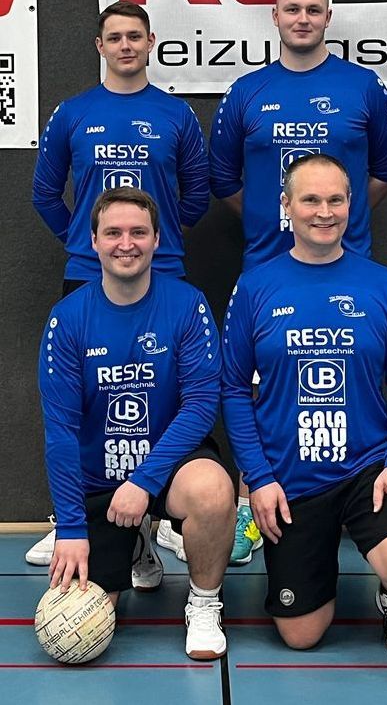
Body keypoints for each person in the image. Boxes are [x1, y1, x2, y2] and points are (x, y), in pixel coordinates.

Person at [210, 0, 387, 565]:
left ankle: (359, 500)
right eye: (291, 8)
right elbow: (222, 179)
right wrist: (279, 222)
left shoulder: (363, 86)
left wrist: (330, 220)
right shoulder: (247, 91)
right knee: (256, 384)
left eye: (313, 9)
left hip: (349, 265)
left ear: (327, 17)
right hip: (265, 265)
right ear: (274, 16)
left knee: (355, 375)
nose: (302, 18)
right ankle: (253, 503)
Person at [221, 154, 387, 658]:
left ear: (350, 205)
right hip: (290, 479)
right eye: (311, 200)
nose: (324, 212)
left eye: (336, 200)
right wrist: (259, 478)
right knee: (301, 635)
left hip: (369, 470)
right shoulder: (255, 286)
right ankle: (315, 567)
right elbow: (232, 390)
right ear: (286, 205)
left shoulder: (381, 283)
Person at [29, 0, 210, 579]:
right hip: (88, 274)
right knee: (92, 403)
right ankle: (78, 517)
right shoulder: (73, 113)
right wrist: (89, 242)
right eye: (115, 37)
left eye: (135, 36)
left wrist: (155, 240)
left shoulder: (176, 114)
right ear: (100, 45)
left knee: (158, 396)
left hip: (164, 273)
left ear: (151, 42)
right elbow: (44, 193)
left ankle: (151, 519)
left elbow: (197, 194)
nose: (126, 45)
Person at [39, 188, 234, 660]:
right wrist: (71, 529)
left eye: (138, 232)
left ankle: (204, 603)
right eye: (113, 233)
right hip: (101, 481)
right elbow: (61, 433)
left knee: (213, 491)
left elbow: (200, 405)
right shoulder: (68, 319)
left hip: (167, 467)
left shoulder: (187, 304)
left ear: (157, 239)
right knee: (82, 626)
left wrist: (144, 481)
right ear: (93, 241)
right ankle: (134, 542)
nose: (126, 244)